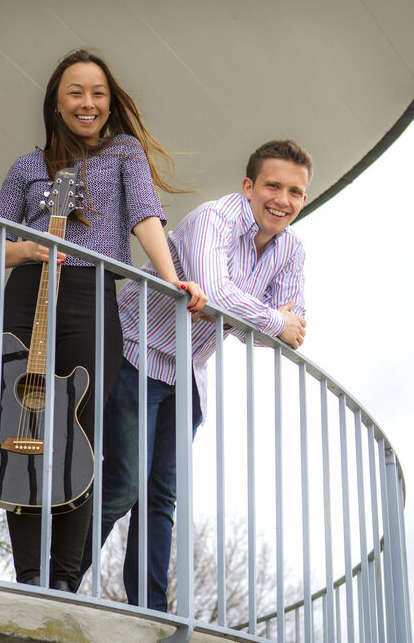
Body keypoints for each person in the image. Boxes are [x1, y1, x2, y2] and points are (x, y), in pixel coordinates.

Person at [0, 48, 206, 593]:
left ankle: (62, 578)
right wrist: (27, 250)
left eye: (98, 93)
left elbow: (146, 215)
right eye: (76, 92)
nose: (88, 103)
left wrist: (173, 277)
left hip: (92, 294)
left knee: (77, 431)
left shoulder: (123, 153)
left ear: (109, 102)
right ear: (57, 102)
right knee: (22, 426)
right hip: (29, 292)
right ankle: (28, 572)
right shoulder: (28, 167)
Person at [79, 139, 312, 610]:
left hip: (187, 375)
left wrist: (264, 322)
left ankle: (151, 611)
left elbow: (287, 333)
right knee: (123, 484)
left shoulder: (292, 250)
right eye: (272, 185)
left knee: (161, 497)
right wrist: (270, 317)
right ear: (248, 186)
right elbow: (212, 295)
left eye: (295, 191)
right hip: (135, 352)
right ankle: (53, 579)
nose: (282, 200)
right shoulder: (215, 219)